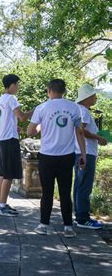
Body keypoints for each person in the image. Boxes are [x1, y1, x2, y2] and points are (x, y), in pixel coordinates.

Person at [27, 79, 86, 238]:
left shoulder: (42, 107)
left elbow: (30, 132)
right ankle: (68, 227)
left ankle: (43, 225)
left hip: (47, 156)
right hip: (67, 156)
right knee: (65, 192)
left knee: (47, 192)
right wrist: (83, 154)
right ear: (64, 91)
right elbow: (79, 132)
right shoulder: (74, 107)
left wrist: (39, 127)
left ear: (49, 90)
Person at [0, 74, 34, 217]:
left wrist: (11, 127)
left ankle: (1, 203)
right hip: (10, 140)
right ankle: (2, 207)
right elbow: (22, 117)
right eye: (17, 84)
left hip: (1, 139)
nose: (18, 87)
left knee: (3, 174)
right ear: (12, 85)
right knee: (8, 175)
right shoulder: (11, 98)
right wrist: (35, 111)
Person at [73, 84, 107, 229]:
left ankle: (78, 213)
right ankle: (83, 217)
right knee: (85, 185)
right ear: (86, 98)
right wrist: (98, 138)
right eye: (93, 95)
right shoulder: (84, 111)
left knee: (79, 184)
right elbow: (82, 131)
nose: (95, 98)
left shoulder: (78, 110)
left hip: (78, 151)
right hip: (86, 152)